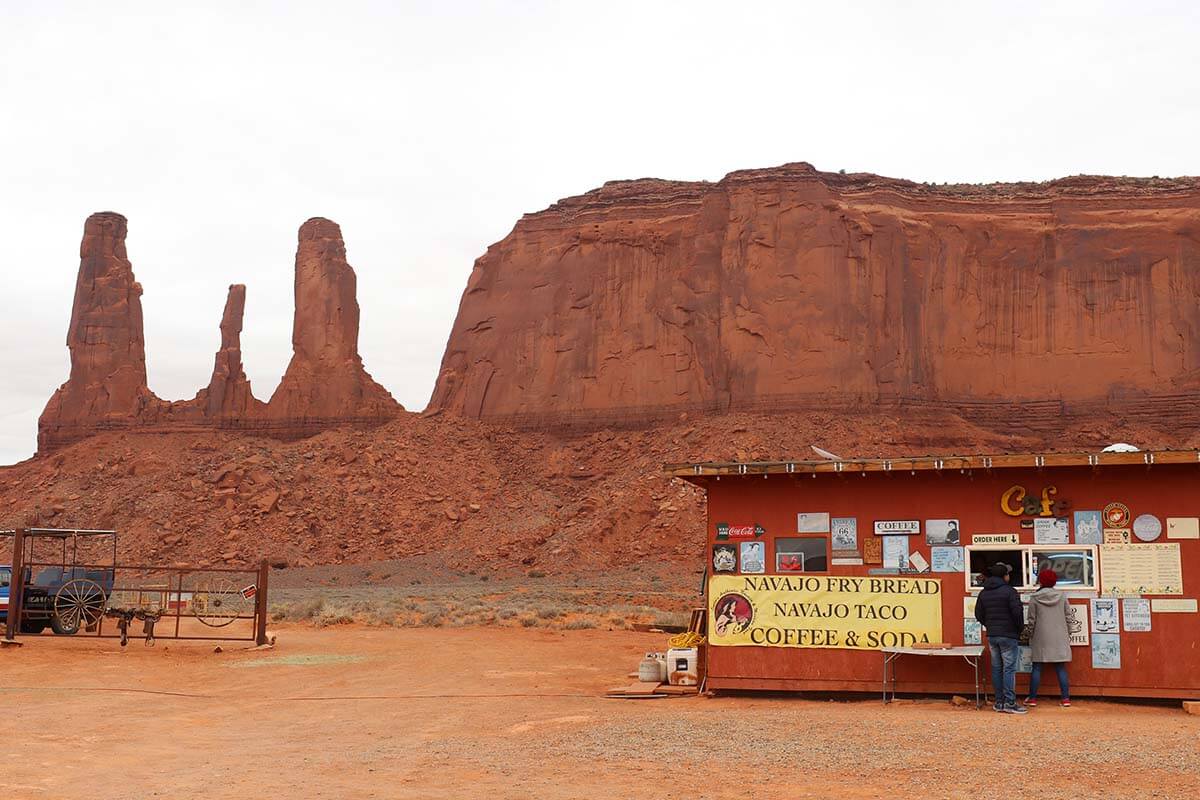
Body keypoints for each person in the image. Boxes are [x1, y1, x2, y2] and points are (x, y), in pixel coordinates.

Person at [974, 563, 1027, 713]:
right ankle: (1010, 703)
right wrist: (1019, 629)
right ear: (1005, 576)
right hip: (1008, 635)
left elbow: (979, 614)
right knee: (1009, 669)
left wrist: (990, 625)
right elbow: (1017, 613)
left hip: (992, 635)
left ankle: (999, 702)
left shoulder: (984, 592)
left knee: (997, 668)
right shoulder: (1010, 591)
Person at [1026, 569, 1072, 708]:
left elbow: (1031, 620)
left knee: (1037, 668)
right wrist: (1067, 633)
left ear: (1040, 581)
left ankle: (1032, 698)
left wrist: (1029, 635)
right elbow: (1068, 616)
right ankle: (1065, 699)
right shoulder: (1062, 596)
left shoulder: (1034, 598)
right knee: (1060, 668)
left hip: (1041, 637)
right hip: (1060, 636)